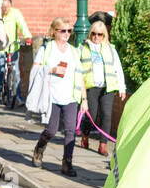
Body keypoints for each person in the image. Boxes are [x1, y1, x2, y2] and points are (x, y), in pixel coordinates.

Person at [30, 18, 83, 177]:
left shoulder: (74, 51)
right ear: (54, 31)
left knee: (70, 131)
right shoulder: (46, 49)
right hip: (51, 96)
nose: (67, 34)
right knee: (51, 130)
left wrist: (84, 99)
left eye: (69, 31)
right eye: (63, 30)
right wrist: (50, 69)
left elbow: (79, 76)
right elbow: (35, 72)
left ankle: (67, 163)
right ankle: (40, 148)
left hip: (71, 96)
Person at [79, 14, 126, 156]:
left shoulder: (110, 49)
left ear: (104, 35)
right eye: (94, 33)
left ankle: (103, 144)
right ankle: (85, 135)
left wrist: (122, 88)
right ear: (90, 33)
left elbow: (118, 68)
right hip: (91, 86)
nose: (96, 37)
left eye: (100, 34)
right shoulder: (83, 48)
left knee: (106, 115)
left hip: (108, 87)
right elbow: (76, 68)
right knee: (91, 115)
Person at [0, 0, 32, 105]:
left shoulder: (15, 13)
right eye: (3, 8)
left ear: (10, 6)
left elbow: (22, 25)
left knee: (16, 72)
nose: (5, 10)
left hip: (13, 47)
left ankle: (18, 97)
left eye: (7, 7)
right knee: (0, 69)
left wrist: (27, 37)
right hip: (0, 47)